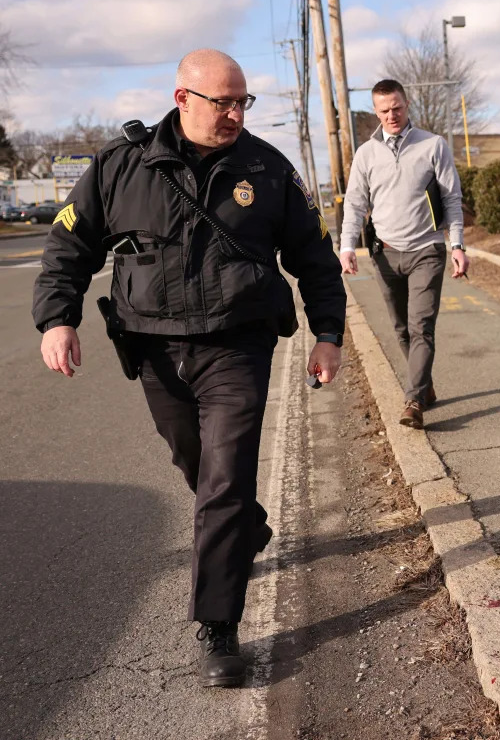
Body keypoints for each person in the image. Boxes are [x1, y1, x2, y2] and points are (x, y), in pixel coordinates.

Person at [32, 49, 346, 688]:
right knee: (196, 466)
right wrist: (57, 318)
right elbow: (69, 244)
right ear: (182, 99)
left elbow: (314, 255)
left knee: (225, 479)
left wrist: (328, 334)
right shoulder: (123, 166)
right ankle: (244, 529)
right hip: (154, 349)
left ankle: (219, 625)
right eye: (222, 102)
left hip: (237, 346)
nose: (234, 113)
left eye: (242, 101)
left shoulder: (267, 167)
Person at [340, 79, 468, 429]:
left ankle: (413, 400)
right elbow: (355, 204)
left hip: (427, 249)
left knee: (421, 326)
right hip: (384, 254)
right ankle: (423, 385)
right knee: (400, 329)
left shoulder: (433, 145)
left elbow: (452, 199)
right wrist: (348, 246)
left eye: (396, 108)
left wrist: (457, 245)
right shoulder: (366, 154)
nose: (391, 115)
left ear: (406, 104)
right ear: (376, 112)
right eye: (384, 111)